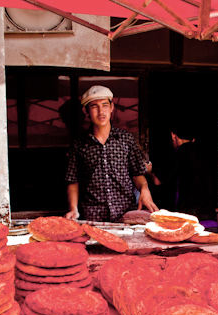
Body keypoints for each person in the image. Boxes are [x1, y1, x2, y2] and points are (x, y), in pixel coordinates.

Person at [64, 85, 158, 222]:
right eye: (94, 106)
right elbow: (73, 180)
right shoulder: (78, 143)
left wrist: (145, 189)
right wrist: (73, 208)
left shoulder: (126, 139)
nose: (101, 111)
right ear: (86, 111)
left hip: (125, 214)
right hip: (92, 216)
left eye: (104, 105)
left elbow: (137, 174)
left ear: (112, 107)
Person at [148, 121, 216, 222]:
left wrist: (146, 170)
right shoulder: (205, 155)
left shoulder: (180, 153)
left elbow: (158, 181)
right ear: (193, 139)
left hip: (189, 219)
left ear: (173, 135)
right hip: (211, 218)